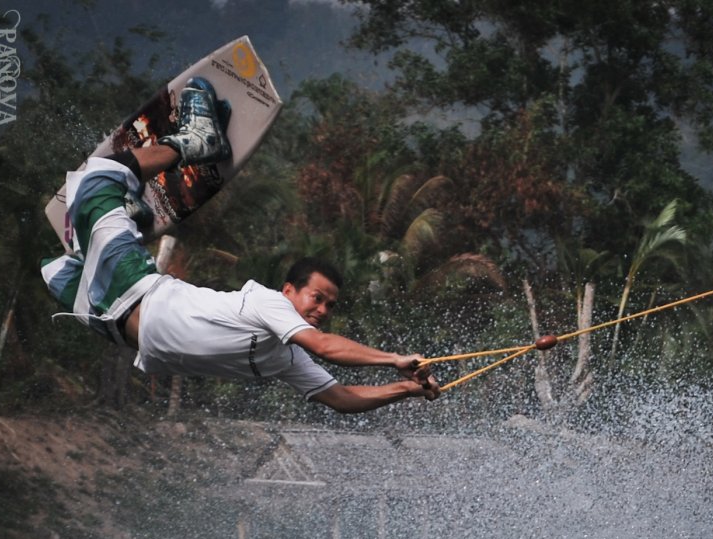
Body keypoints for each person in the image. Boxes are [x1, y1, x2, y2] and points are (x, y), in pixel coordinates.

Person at [42, 77, 440, 413]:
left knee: (55, 273)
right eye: (316, 298)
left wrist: (406, 390)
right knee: (98, 177)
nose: (321, 310)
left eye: (329, 306)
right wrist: (392, 359)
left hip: (113, 324)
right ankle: (193, 142)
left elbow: (341, 397)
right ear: (289, 291)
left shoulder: (286, 358)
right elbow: (323, 345)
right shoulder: (272, 305)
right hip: (134, 289)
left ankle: (129, 216)